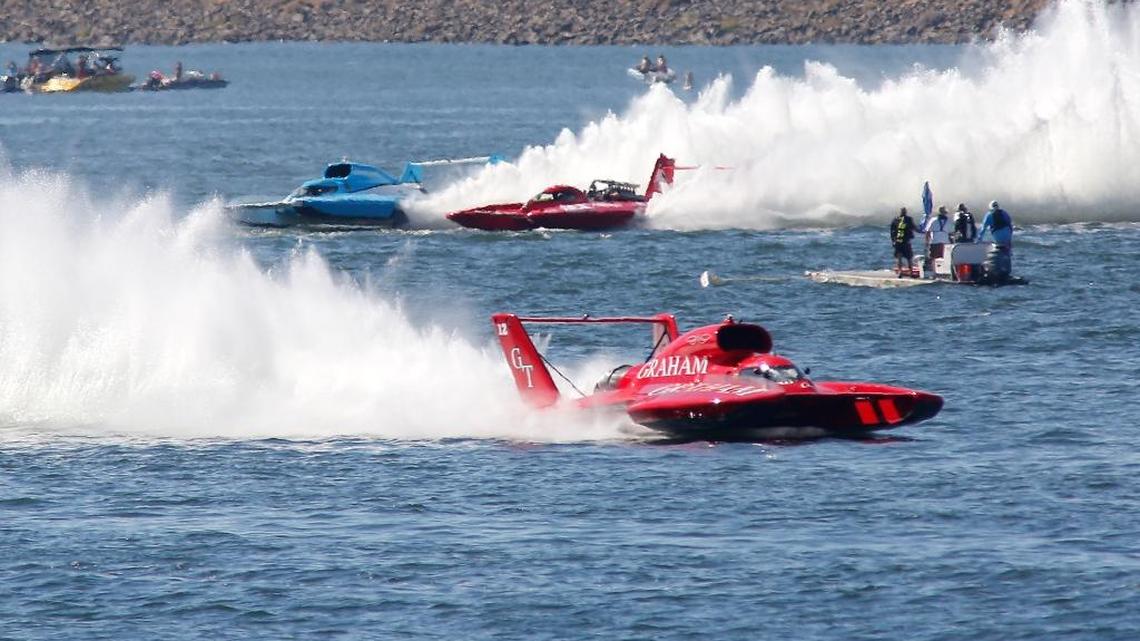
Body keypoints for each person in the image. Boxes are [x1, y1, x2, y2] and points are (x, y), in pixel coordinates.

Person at [890, 206, 918, 277]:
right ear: (906, 212)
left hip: (898, 241)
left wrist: (893, 241)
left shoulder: (896, 219)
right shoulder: (909, 219)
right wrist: (921, 230)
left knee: (899, 257)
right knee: (909, 258)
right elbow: (914, 228)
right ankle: (911, 272)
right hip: (906, 241)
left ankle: (900, 272)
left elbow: (892, 231)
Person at [924, 205, 952, 271]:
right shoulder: (949, 221)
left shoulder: (933, 220)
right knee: (945, 258)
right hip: (945, 243)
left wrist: (926, 242)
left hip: (935, 242)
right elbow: (951, 233)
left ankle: (934, 272)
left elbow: (928, 232)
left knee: (933, 258)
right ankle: (944, 271)